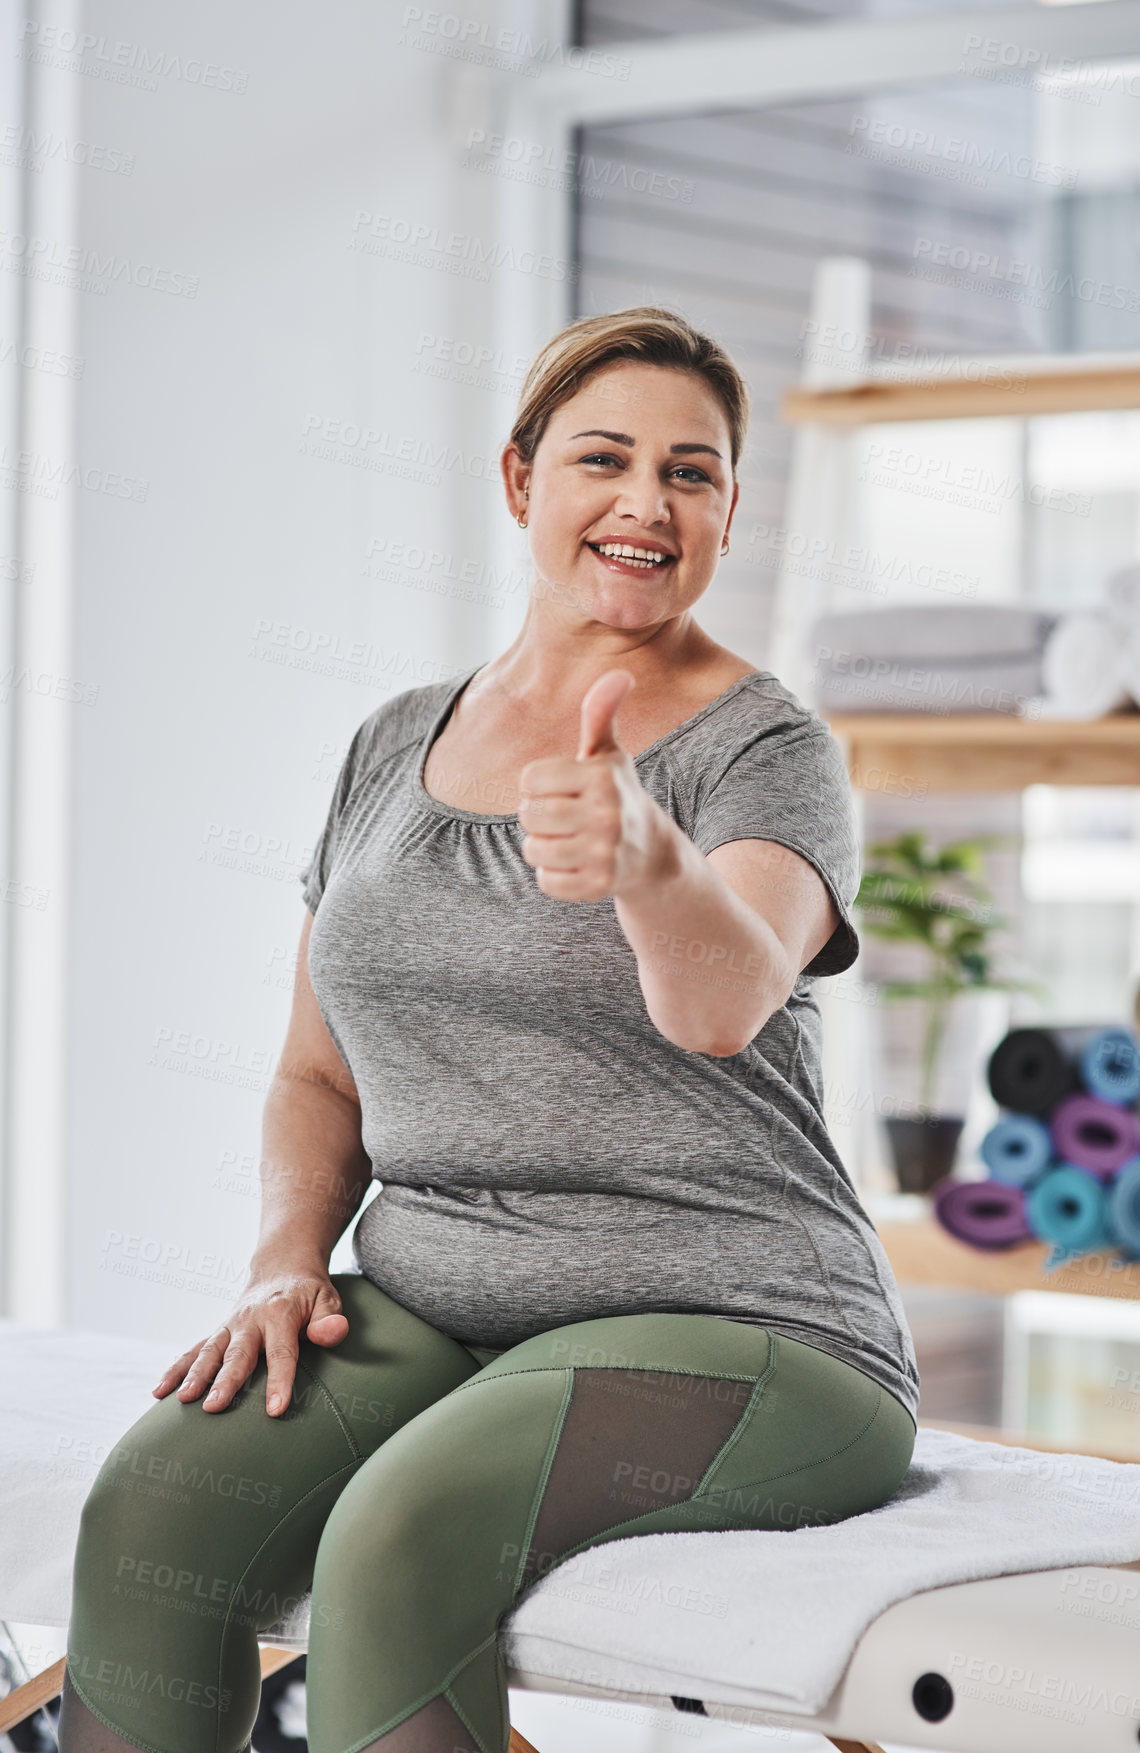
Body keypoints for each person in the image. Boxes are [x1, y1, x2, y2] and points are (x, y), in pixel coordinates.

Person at [61, 305, 920, 1753]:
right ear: (521, 480)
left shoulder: (768, 750)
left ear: (726, 515)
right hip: (436, 1300)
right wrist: (283, 1266)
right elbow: (315, 1069)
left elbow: (722, 1000)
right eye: (606, 458)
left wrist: (647, 854)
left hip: (751, 1325)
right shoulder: (394, 742)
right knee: (154, 1504)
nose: (648, 502)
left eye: (693, 473)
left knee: (400, 1532)